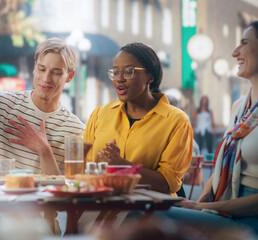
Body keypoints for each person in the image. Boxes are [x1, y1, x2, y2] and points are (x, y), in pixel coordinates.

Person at [156, 20, 258, 235]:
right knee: (149, 210)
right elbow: (221, 167)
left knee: (152, 216)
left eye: (244, 43)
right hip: (223, 210)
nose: (235, 52)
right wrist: (198, 205)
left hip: (249, 219)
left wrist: (202, 207)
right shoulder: (240, 107)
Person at [0, 37, 85, 201]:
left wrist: (44, 150)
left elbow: (64, 192)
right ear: (34, 68)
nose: (46, 78)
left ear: (69, 76)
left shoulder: (75, 129)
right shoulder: (0, 103)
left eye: (56, 72)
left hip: (37, 212)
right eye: (42, 69)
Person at [83, 42, 193, 195]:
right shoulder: (100, 114)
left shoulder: (176, 121)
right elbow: (86, 170)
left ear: (150, 77)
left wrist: (123, 166)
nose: (119, 79)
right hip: (102, 203)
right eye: (115, 72)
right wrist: (97, 166)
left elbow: (169, 183)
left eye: (129, 72)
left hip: (149, 211)